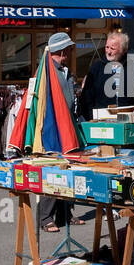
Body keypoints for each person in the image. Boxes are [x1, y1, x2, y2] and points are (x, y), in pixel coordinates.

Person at [37, 32, 86, 233]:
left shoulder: (64, 71)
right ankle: (45, 217)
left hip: (67, 124)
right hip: (53, 127)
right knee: (54, 170)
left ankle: (65, 214)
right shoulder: (47, 72)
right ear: (62, 51)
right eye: (67, 50)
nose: (69, 53)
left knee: (68, 169)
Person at [78, 29, 134, 118]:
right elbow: (86, 98)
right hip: (101, 121)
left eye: (112, 48)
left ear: (123, 50)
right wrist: (91, 118)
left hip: (129, 120)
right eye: (107, 47)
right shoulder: (96, 68)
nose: (108, 52)